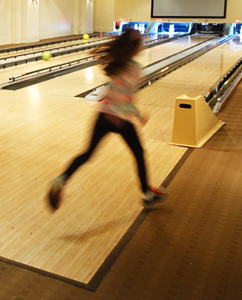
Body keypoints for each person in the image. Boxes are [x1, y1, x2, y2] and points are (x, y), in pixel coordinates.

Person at [48, 29, 169, 211]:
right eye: (141, 41)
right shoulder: (134, 68)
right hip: (119, 118)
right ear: (134, 47)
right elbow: (126, 97)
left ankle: (61, 179)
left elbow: (116, 91)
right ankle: (147, 194)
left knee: (88, 153)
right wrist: (137, 115)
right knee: (138, 153)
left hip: (103, 114)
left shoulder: (117, 64)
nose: (144, 43)